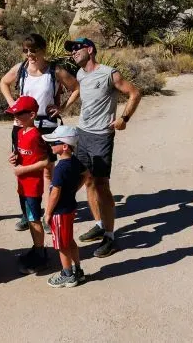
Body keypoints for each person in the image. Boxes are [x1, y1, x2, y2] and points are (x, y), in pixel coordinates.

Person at [63, 37, 141, 258]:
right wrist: (64, 106)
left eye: (77, 49)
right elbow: (78, 89)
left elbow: (134, 93)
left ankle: (110, 236)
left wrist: (124, 118)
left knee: (101, 184)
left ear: (89, 49)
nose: (73, 53)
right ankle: (99, 224)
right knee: (86, 180)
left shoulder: (109, 73)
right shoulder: (81, 74)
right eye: (71, 51)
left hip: (101, 137)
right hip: (83, 134)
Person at [0, 33, 80, 233]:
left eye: (33, 50)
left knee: (47, 170)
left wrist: (63, 108)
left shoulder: (55, 71)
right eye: (26, 50)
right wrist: (13, 104)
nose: (29, 54)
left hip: (47, 123)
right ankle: (28, 213)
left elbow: (77, 88)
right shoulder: (21, 70)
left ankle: (46, 214)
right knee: (24, 166)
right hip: (23, 125)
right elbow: (3, 83)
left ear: (43, 50)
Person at [6, 95, 50, 274]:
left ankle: (40, 255)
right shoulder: (19, 132)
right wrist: (15, 158)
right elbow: (21, 154)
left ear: (32, 115)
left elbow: (46, 161)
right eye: (13, 114)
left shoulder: (36, 135)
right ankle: (36, 247)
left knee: (34, 219)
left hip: (32, 185)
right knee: (29, 217)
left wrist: (24, 170)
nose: (15, 117)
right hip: (22, 185)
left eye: (19, 114)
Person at [42, 125, 86, 287]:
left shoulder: (60, 168)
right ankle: (78, 270)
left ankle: (68, 274)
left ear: (65, 146)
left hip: (60, 212)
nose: (51, 145)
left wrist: (48, 213)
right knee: (69, 240)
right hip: (70, 208)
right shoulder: (75, 162)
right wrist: (74, 189)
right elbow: (86, 174)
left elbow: (55, 193)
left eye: (55, 142)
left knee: (62, 245)